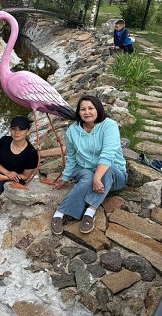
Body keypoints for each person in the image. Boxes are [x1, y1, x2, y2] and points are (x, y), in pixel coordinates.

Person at [51, 95, 127, 235]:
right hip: (85, 168)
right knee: (87, 178)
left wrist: (97, 177)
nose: (87, 112)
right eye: (83, 109)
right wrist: (65, 177)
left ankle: (90, 211)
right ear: (78, 112)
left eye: (91, 108)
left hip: (114, 174)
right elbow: (71, 157)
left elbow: (108, 155)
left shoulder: (109, 126)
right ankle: (60, 212)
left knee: (106, 170)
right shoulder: (72, 131)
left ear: (98, 109)